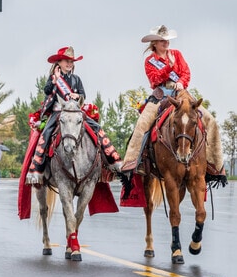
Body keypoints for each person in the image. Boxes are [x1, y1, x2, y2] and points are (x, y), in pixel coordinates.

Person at [121, 25, 226, 185]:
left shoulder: (177, 54)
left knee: (210, 120)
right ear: (154, 43)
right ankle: (133, 163)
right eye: (162, 40)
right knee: (142, 124)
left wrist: (181, 82)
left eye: (167, 40)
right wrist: (169, 67)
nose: (166, 43)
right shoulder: (150, 61)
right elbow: (154, 80)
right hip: (160, 95)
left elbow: (186, 72)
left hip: (181, 93)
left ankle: (214, 165)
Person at [25, 46, 122, 185]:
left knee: (96, 128)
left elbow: (83, 94)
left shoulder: (76, 79)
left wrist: (78, 95)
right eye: (66, 61)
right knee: (45, 134)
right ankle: (37, 169)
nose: (69, 64)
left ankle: (112, 161)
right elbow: (47, 91)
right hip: (58, 111)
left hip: (75, 111)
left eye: (71, 62)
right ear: (59, 63)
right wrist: (55, 81)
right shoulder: (53, 78)